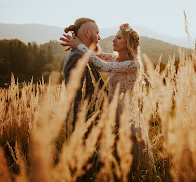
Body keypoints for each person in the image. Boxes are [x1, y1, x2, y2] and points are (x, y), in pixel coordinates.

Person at [61, 23, 155, 179]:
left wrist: (79, 45)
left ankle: (137, 175)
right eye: (115, 36)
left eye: (119, 38)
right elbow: (95, 55)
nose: (114, 40)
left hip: (125, 110)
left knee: (132, 146)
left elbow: (101, 65)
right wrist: (77, 43)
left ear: (128, 44)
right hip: (113, 107)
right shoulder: (116, 58)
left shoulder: (132, 65)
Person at [62, 17, 105, 138]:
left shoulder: (85, 55)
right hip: (85, 132)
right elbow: (75, 100)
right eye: (97, 33)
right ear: (87, 33)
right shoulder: (77, 58)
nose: (99, 38)